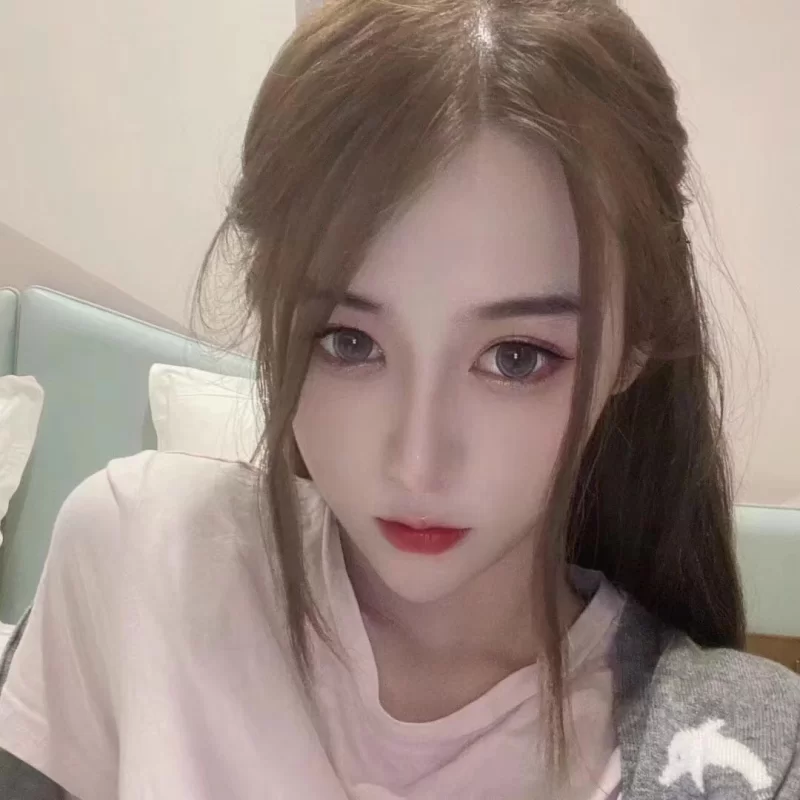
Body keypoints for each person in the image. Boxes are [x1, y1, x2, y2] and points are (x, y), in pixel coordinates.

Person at [1, 0, 799, 797]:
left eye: (517, 358)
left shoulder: (740, 756)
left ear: (635, 346)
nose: (417, 463)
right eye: (349, 342)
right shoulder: (139, 556)